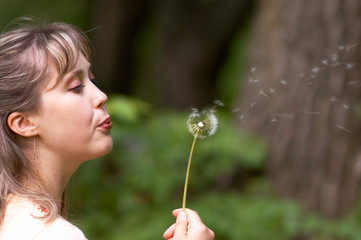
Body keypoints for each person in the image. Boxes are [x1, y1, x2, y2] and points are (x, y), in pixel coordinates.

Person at [0, 18, 215, 240]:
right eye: (76, 87)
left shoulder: (13, 220)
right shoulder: (50, 234)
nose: (101, 96)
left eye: (93, 81)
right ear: (24, 123)